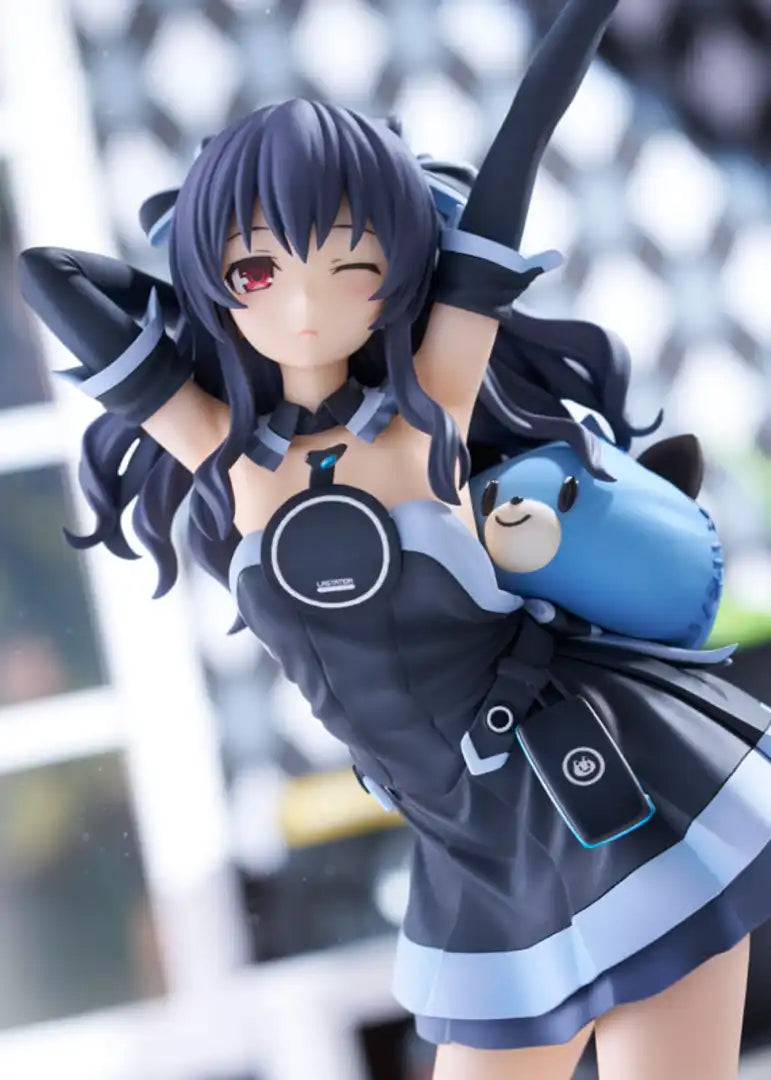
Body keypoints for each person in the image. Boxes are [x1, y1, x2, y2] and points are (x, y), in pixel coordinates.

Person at [17, 2, 771, 1077]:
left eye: (349, 263)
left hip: (588, 782)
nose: (306, 303)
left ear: (398, 270)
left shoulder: (431, 410)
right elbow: (47, 272)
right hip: (465, 846)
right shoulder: (227, 453)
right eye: (261, 271)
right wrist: (194, 284)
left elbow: (521, 142)